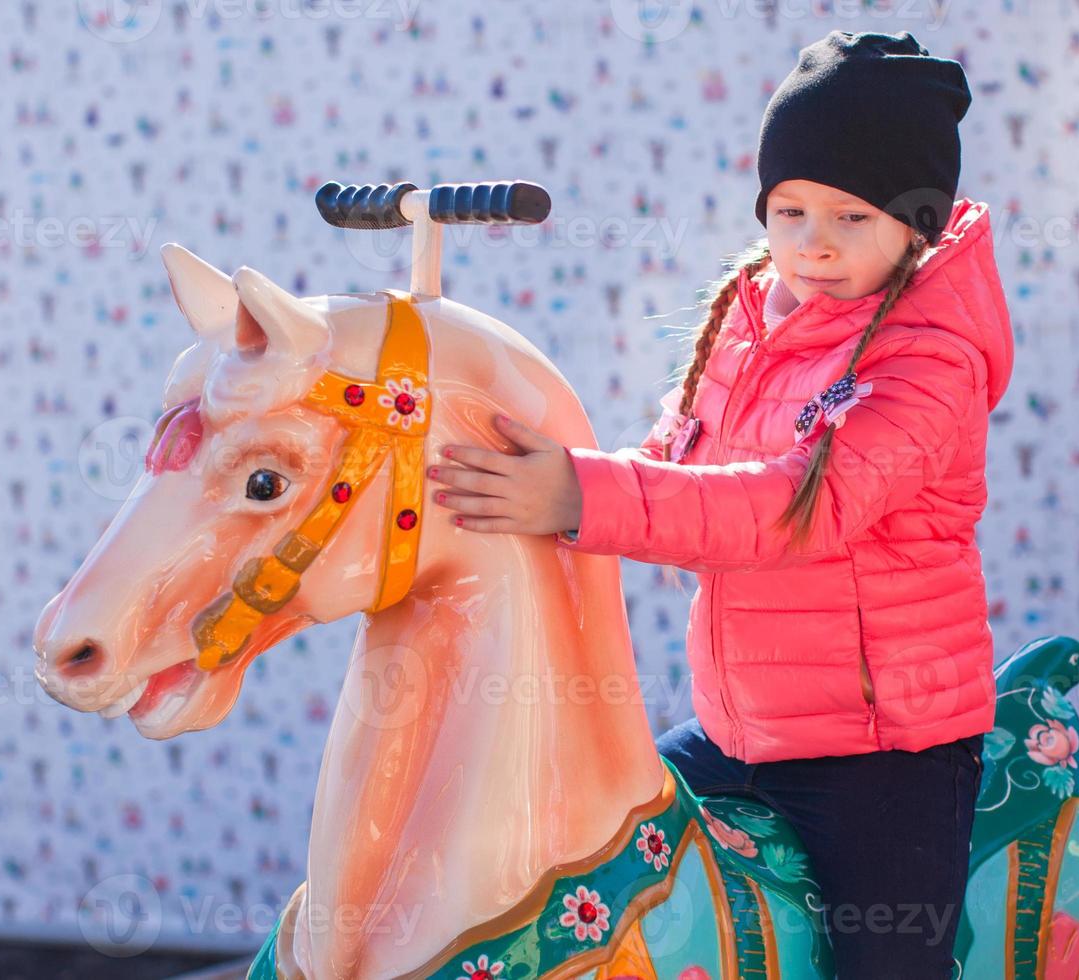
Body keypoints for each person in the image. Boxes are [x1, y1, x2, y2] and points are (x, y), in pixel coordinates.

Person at [426, 30, 1012, 979]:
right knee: (600, 856)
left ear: (918, 227)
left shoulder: (928, 361)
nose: (812, 243)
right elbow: (674, 464)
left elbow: (791, 511)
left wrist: (580, 493)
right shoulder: (752, 318)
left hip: (880, 754)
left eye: (852, 218)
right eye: (789, 210)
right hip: (741, 729)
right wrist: (544, 476)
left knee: (889, 960)